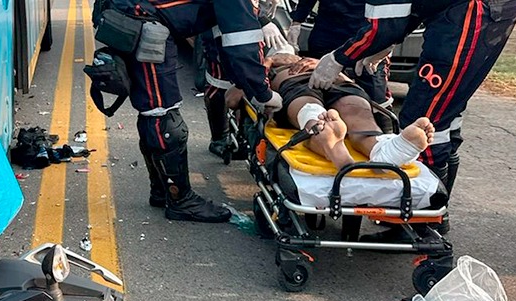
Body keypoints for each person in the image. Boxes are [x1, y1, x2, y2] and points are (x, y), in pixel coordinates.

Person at [307, 0, 516, 234]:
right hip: (472, 10)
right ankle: (433, 216)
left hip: (471, 13)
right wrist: (385, 43)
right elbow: (409, 9)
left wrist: (339, 58)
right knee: (447, 111)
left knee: (425, 120)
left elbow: (386, 23)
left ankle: (424, 224)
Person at [104, 0, 283, 223]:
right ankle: (180, 200)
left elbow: (224, 36)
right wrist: (262, 92)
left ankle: (162, 189)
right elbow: (241, 42)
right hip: (144, 21)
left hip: (134, 15)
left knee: (153, 111)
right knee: (163, 115)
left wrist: (243, 80)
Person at [227, 54, 435, 168]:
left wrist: (266, 67)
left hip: (310, 78)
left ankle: (330, 139)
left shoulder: (263, 59)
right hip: (329, 77)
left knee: (313, 111)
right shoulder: (268, 59)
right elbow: (233, 98)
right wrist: (268, 63)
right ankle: (381, 149)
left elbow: (231, 99)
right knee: (353, 113)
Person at [202, 2, 290, 158]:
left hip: (244, 18)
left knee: (246, 81)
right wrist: (262, 20)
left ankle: (242, 134)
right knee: (219, 83)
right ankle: (219, 139)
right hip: (225, 23)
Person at [286, 0, 392, 107]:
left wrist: (389, 39)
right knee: (317, 91)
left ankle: (381, 119)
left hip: (365, 41)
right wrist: (297, 21)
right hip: (328, 36)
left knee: (377, 99)